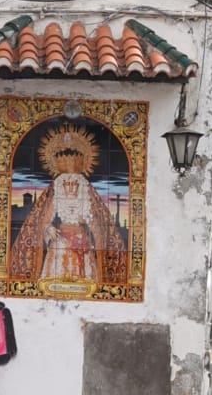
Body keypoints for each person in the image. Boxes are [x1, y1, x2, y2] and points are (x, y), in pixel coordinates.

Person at [9, 124, 126, 293]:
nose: (70, 188)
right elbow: (44, 221)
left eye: (74, 184)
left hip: (81, 240)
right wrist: (49, 229)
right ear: (60, 185)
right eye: (66, 184)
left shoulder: (87, 200)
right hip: (60, 241)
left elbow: (96, 223)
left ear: (80, 185)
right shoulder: (55, 197)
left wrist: (94, 236)